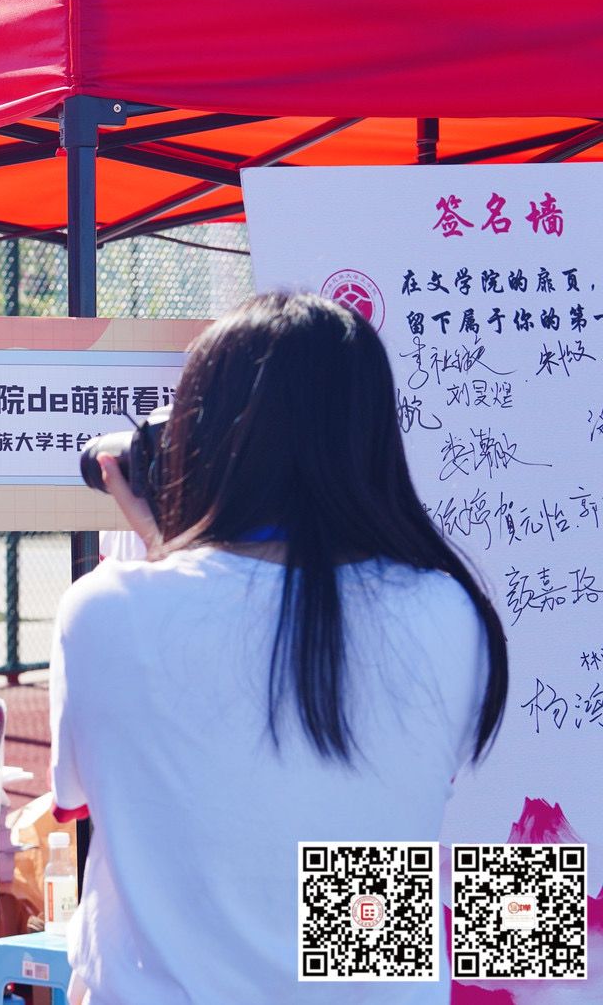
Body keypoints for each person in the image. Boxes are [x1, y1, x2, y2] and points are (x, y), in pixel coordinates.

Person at [51, 293, 508, 1004]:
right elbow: (350, 826)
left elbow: (79, 795)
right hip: (367, 978)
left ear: (198, 440)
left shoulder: (104, 612)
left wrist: (164, 554)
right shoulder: (450, 611)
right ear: (370, 437)